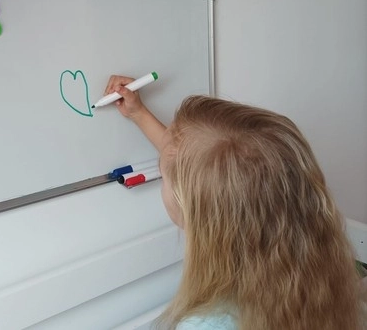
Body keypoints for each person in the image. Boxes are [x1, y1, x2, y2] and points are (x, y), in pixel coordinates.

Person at [103, 76, 367, 330]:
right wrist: (139, 113)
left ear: (190, 205)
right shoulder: (328, 272)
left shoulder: (208, 324)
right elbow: (189, 161)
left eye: (164, 177)